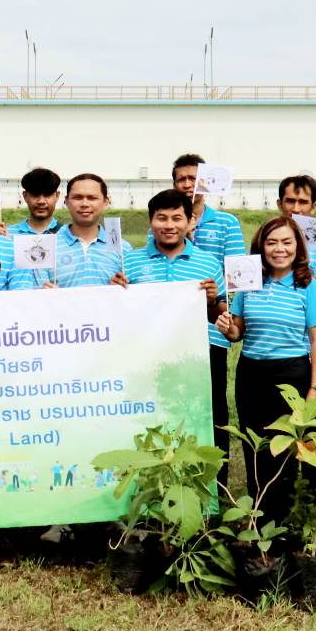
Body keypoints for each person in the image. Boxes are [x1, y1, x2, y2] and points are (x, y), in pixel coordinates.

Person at [215, 215, 316, 527]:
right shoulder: (248, 282)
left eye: (286, 242)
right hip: (252, 373)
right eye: (272, 242)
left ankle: (288, 517)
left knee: (291, 446)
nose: (279, 249)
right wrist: (228, 326)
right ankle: (260, 514)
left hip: (293, 373)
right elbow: (238, 332)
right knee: (257, 445)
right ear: (261, 247)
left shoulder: (307, 286)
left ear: (298, 247)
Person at [123, 189, 227, 478]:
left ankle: (212, 491)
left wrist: (212, 299)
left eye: (177, 218)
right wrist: (116, 290)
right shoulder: (130, 263)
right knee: (149, 421)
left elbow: (219, 315)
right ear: (150, 221)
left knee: (206, 420)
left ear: (190, 221)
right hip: (147, 357)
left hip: (197, 357)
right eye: (161, 218)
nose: (169, 225)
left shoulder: (208, 263)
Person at [170, 156, 244, 482]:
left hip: (211, 329)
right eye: (182, 179)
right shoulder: (167, 220)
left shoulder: (226, 223)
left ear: (207, 182)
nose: (188, 185)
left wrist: (225, 309)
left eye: (194, 178)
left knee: (213, 412)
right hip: (170, 333)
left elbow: (238, 273)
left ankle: (218, 486)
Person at [12, 173, 130, 290]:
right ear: (66, 201)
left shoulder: (123, 249)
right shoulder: (44, 247)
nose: (84, 204)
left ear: (106, 202)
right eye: (77, 197)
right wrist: (44, 294)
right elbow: (33, 297)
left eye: (92, 198)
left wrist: (120, 289)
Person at [277, 174, 316, 279]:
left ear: (313, 207)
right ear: (280, 204)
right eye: (290, 201)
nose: (296, 209)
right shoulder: (266, 240)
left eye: (303, 202)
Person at [14, 168, 62, 235]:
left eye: (47, 194)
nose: (41, 201)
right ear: (25, 196)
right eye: (35, 194)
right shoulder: (8, 234)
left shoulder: (70, 234)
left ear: (57, 196)